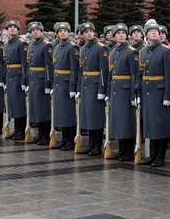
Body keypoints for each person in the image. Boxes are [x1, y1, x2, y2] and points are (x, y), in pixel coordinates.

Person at [136, 20, 170, 167]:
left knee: (160, 126)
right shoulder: (143, 51)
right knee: (150, 125)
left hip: (159, 93)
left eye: (156, 31)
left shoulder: (166, 50)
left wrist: (168, 96)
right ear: (146, 35)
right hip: (147, 92)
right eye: (151, 31)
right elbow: (140, 72)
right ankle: (152, 154)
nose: (154, 33)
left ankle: (160, 156)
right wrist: (138, 93)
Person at [106, 23, 139, 161]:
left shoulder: (131, 51)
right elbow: (110, 74)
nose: (121, 35)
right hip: (115, 90)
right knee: (118, 121)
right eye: (118, 33)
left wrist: (133, 94)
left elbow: (135, 75)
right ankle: (121, 149)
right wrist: (108, 92)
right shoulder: (113, 52)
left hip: (126, 91)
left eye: (123, 33)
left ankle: (129, 151)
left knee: (126, 121)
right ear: (113, 36)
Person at [77, 22, 109, 156]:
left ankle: (97, 145)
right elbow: (81, 69)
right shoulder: (83, 49)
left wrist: (102, 89)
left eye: (91, 31)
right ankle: (90, 144)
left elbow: (104, 71)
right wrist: (79, 88)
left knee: (96, 116)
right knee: (88, 116)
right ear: (82, 34)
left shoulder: (101, 48)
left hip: (95, 86)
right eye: (86, 32)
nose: (89, 33)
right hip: (86, 85)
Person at [51, 22, 79, 150]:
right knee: (61, 112)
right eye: (60, 31)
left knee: (68, 113)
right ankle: (64, 139)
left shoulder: (72, 47)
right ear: (57, 33)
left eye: (65, 30)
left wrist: (73, 87)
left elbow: (75, 68)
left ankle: (70, 140)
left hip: (67, 83)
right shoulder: (57, 47)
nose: (63, 32)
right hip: (58, 83)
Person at [26, 21, 54, 145]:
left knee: (43, 109)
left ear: (41, 31)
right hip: (33, 79)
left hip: (42, 80)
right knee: (36, 108)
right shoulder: (31, 44)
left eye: (37, 30)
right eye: (33, 30)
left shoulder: (46, 45)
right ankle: (39, 135)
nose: (35, 31)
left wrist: (48, 83)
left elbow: (49, 66)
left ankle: (45, 135)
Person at [3, 20, 29, 140]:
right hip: (10, 76)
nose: (12, 29)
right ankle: (16, 129)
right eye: (10, 27)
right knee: (13, 103)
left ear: (19, 30)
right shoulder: (7, 43)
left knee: (19, 104)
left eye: (15, 27)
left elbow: (25, 64)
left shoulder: (22, 43)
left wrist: (24, 80)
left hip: (18, 76)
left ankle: (21, 130)